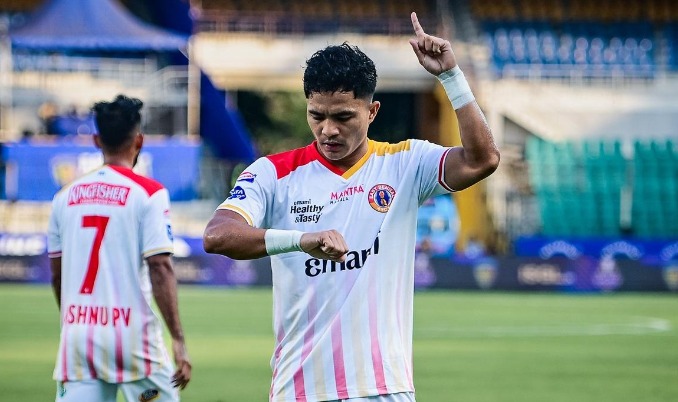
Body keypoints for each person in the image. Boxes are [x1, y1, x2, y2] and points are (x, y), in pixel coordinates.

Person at [203, 12, 499, 402]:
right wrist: (300, 240)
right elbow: (217, 235)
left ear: (372, 112)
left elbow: (483, 159)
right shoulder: (272, 173)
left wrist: (451, 77)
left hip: (384, 388)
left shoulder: (405, 163)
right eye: (317, 115)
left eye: (343, 117)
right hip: (301, 390)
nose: (328, 129)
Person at [47, 95, 191, 402]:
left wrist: (74, 322)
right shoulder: (149, 193)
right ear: (139, 140)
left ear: (96, 140)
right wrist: (178, 339)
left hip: (79, 338)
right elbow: (160, 267)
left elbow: (58, 277)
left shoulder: (63, 197)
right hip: (132, 338)